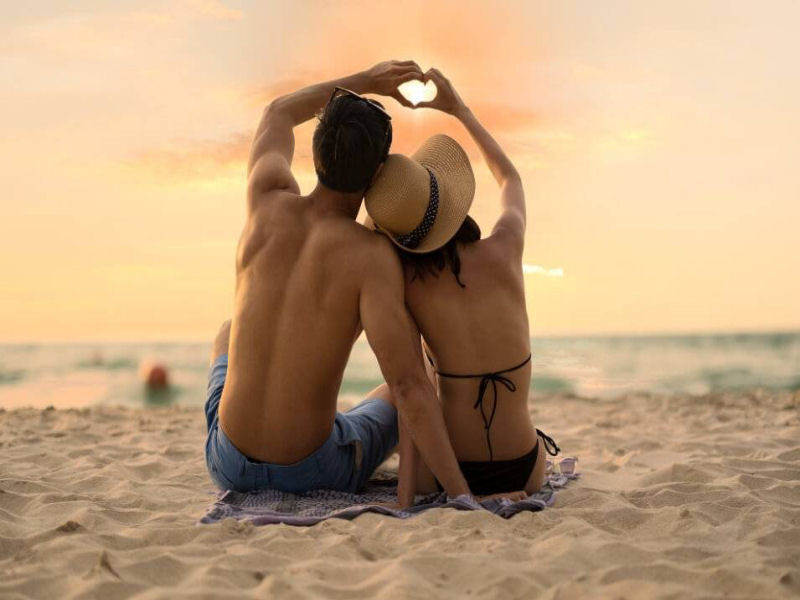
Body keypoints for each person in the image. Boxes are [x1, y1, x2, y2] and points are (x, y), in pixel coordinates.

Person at [204, 61, 474, 500]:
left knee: (226, 332)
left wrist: (367, 81)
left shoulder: (264, 201)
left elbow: (277, 112)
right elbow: (408, 388)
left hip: (228, 461)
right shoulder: (370, 257)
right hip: (309, 470)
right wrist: (464, 496)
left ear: (316, 151)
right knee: (418, 374)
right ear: (378, 176)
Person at [365, 68, 560, 507]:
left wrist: (406, 496)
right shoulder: (506, 247)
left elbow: (410, 397)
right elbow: (510, 179)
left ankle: (427, 490)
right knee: (424, 372)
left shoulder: (411, 287)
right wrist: (459, 109)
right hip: (525, 469)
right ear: (452, 201)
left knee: (416, 372)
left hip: (453, 472)